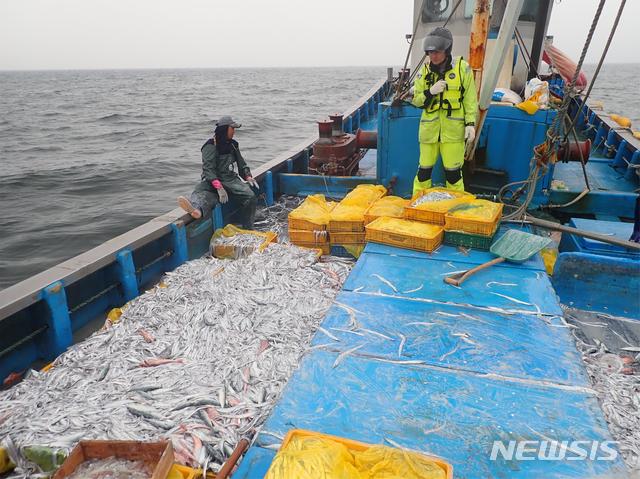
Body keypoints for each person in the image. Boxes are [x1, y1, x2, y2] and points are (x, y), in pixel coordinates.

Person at [411, 27, 478, 193]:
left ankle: (455, 210)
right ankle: (417, 206)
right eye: (430, 52)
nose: (433, 56)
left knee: (454, 175)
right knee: (423, 173)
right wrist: (430, 92)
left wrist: (470, 124)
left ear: (447, 50)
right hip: (429, 133)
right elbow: (417, 101)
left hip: (454, 133)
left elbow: (470, 99)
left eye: (437, 52)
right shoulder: (423, 72)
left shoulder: (463, 69)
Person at [177, 116, 259, 229]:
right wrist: (218, 186)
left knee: (250, 196)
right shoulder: (210, 146)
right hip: (212, 180)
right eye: (232, 129)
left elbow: (241, 163)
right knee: (201, 192)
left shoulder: (233, 145)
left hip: (230, 179)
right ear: (225, 129)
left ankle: (248, 226)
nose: (234, 132)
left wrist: (248, 176)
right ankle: (196, 210)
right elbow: (208, 169)